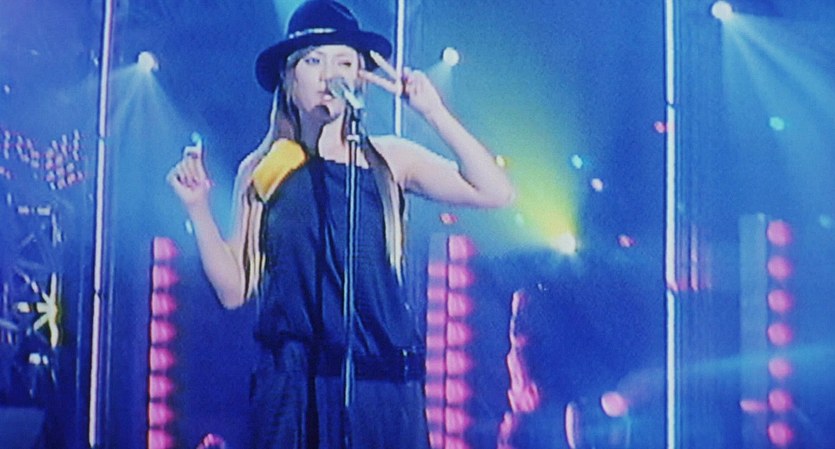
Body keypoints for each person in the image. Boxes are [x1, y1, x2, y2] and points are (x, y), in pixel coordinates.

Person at [168, 1, 514, 448]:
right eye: (314, 61)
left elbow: (494, 191)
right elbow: (234, 289)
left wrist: (434, 113)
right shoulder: (266, 169)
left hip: (381, 390)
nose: (329, 74)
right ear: (289, 78)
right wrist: (198, 208)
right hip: (294, 391)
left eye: (344, 62)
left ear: (359, 79)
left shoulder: (389, 159)